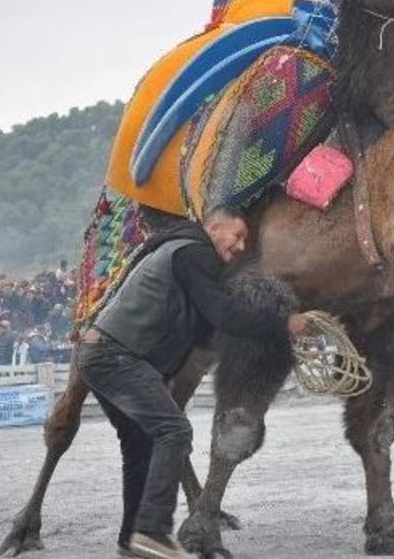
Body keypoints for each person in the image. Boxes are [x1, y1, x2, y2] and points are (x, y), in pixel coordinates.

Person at [76, 207, 310, 559]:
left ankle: (132, 540)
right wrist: (283, 322)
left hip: (100, 354)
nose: (241, 246)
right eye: (237, 235)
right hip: (116, 356)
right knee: (174, 432)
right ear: (213, 227)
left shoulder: (184, 256)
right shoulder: (193, 251)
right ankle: (152, 530)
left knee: (140, 444)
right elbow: (223, 313)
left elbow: (208, 329)